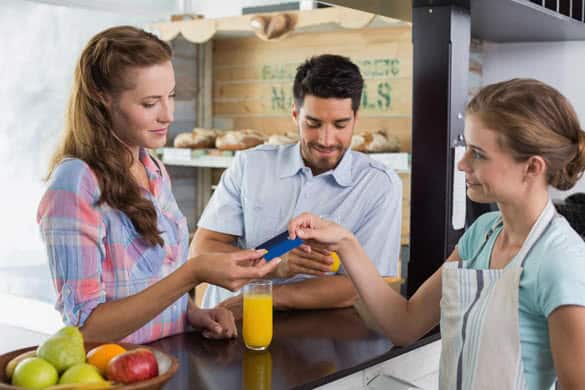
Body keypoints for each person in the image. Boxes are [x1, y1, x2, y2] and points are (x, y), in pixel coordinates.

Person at [288, 79, 585, 389]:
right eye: (467, 148)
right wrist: (345, 242)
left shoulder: (560, 261)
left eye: (479, 154)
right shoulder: (483, 234)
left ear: (532, 168)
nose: (462, 163)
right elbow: (405, 323)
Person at [37, 26, 280, 344]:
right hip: (118, 375)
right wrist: (193, 274)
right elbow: (86, 330)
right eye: (150, 103)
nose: (168, 115)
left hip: (169, 364)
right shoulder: (74, 185)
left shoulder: (151, 168)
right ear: (102, 97)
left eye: (171, 96)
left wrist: (193, 312)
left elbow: (156, 281)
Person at [191, 54, 402, 315]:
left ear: (355, 118)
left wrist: (264, 296)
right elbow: (202, 249)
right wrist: (273, 263)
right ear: (295, 114)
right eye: (313, 124)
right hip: (224, 322)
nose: (326, 139)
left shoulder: (378, 184)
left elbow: (357, 286)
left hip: (311, 339)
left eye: (340, 125)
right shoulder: (250, 165)